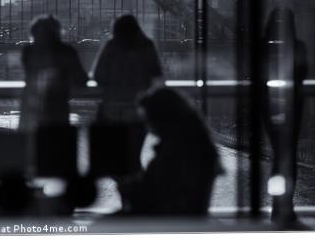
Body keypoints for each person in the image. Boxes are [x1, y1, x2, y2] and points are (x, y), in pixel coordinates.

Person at [118, 88, 223, 216]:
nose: (147, 126)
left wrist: (125, 183)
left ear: (161, 119)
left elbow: (152, 196)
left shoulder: (172, 153)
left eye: (149, 119)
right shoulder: (194, 147)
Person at [261, 7, 307, 224]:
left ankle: (278, 205)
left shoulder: (262, 47)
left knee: (280, 156)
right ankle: (284, 205)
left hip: (268, 105)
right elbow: (302, 73)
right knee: (288, 157)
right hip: (293, 106)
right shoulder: (298, 46)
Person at [19, 15, 88, 131]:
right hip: (57, 109)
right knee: (57, 145)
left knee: (32, 145)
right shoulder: (67, 51)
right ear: (58, 31)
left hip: (31, 107)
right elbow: (81, 79)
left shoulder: (28, 51)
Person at [92, 14, 163, 122]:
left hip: (112, 103)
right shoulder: (147, 46)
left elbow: (98, 75)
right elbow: (156, 73)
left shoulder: (111, 46)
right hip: (137, 103)